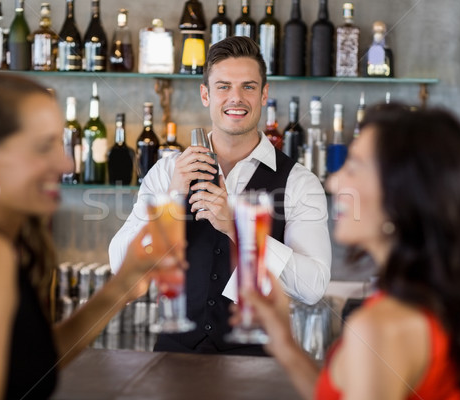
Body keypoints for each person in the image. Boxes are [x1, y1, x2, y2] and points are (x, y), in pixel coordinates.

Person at [0, 74, 185, 400]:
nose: (66, 163)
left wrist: (121, 286)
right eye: (42, 147)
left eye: (59, 143)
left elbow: (33, 361)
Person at [237, 104, 460, 399]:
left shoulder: (380, 329)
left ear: (403, 195)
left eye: (354, 167)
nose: (334, 181)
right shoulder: (441, 298)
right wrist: (285, 345)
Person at [109, 36, 331, 355]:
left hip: (258, 366)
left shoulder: (299, 182)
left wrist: (238, 227)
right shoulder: (166, 172)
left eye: (248, 87)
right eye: (224, 86)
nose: (236, 98)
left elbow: (313, 287)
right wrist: (171, 199)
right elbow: (120, 267)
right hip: (173, 359)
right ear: (205, 94)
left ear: (265, 93)